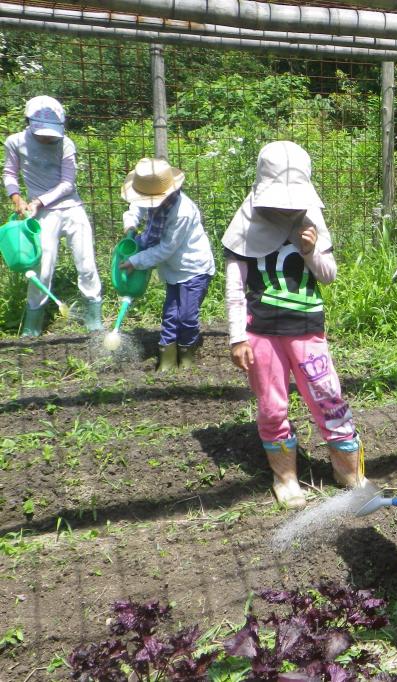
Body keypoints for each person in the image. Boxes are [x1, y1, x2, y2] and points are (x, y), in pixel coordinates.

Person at [222, 141, 362, 509]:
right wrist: (237, 337)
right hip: (262, 333)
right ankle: (284, 476)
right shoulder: (245, 223)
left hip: (307, 330)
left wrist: (311, 250)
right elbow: (235, 288)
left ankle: (347, 469)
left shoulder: (311, 218)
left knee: (327, 396)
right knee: (272, 406)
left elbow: (328, 276)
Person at [4, 95, 102, 335]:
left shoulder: (65, 143)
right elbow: (9, 173)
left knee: (86, 263)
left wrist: (38, 200)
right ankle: (32, 325)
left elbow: (68, 183)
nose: (48, 137)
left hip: (71, 208)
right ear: (29, 122)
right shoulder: (15, 142)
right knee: (42, 269)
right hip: (43, 215)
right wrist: (17, 198)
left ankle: (94, 317)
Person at [120, 158, 215, 370]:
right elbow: (136, 206)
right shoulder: (152, 199)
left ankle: (187, 358)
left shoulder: (181, 212)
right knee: (171, 314)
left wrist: (136, 261)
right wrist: (130, 224)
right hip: (173, 269)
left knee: (187, 317)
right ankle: (167, 361)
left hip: (193, 269)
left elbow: (165, 249)